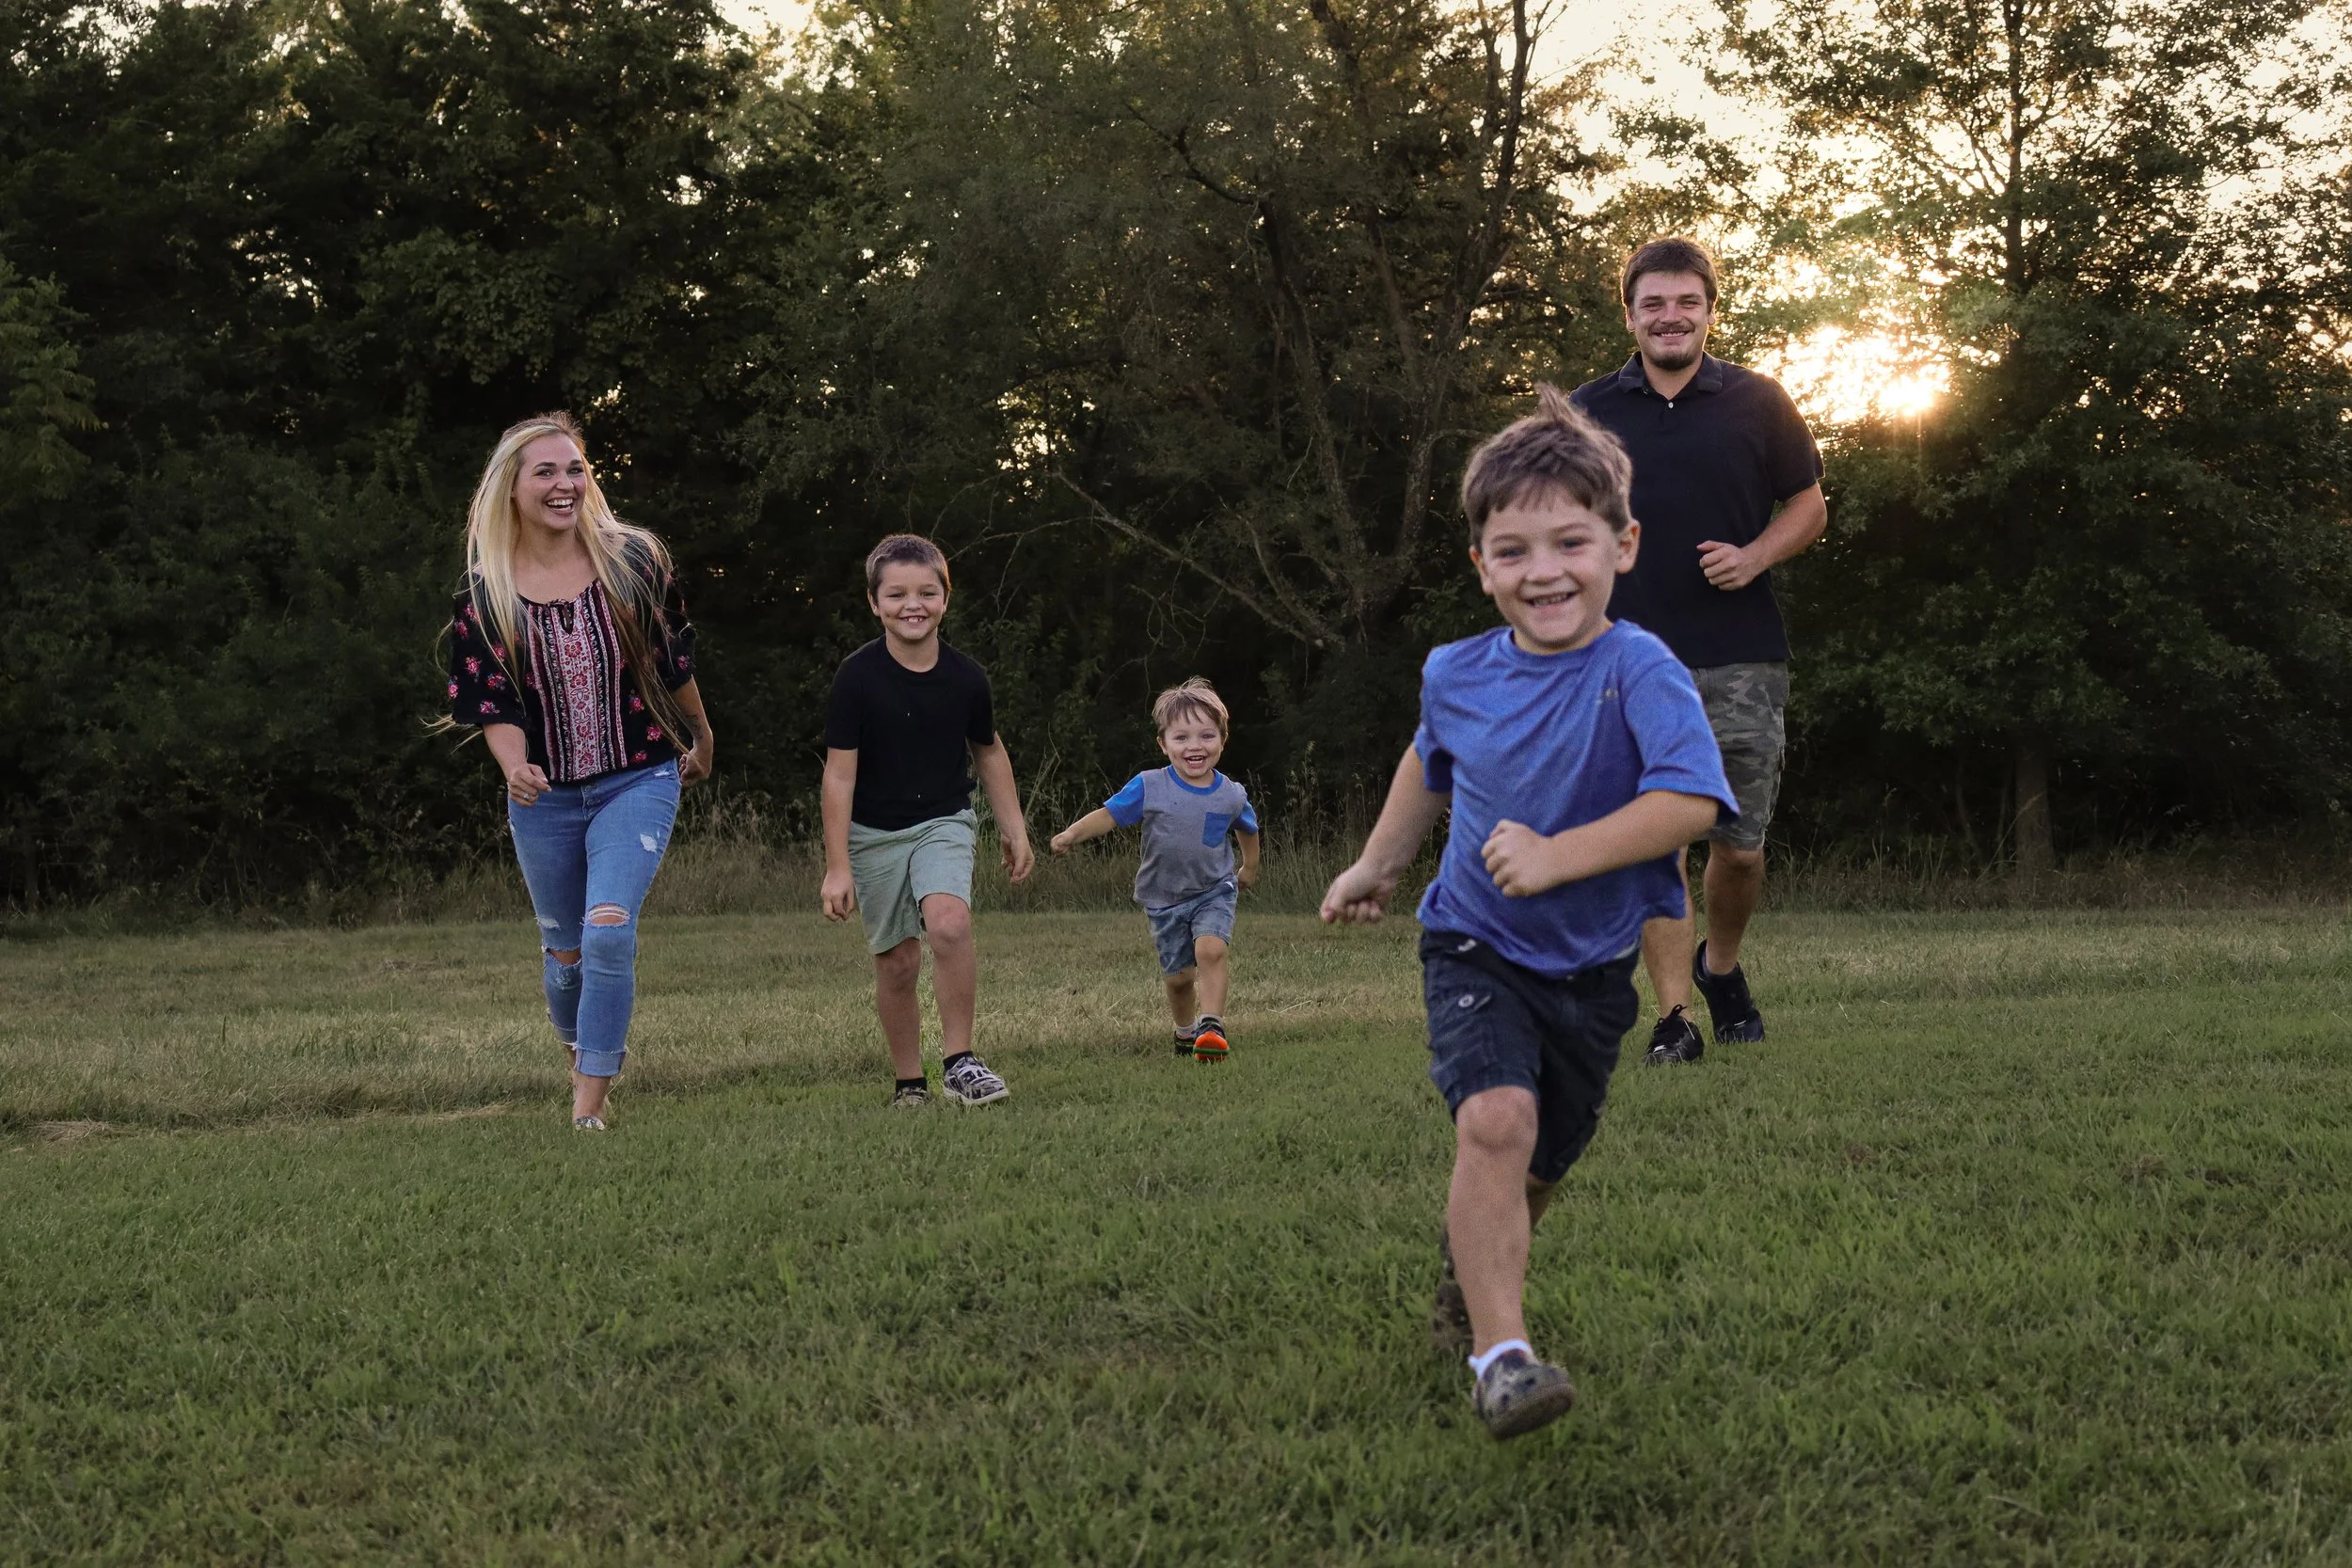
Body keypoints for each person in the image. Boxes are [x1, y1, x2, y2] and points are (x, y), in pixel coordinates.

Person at [1319, 387, 1734, 1439]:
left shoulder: (1640, 668)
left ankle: (1470, 1270)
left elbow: (1688, 800)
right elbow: (1429, 758)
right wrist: (1377, 859)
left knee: (1544, 1154)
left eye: (1569, 541)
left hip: (1592, 964)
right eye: (1513, 549)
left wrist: (1559, 855)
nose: (1543, 569)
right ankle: (1501, 1357)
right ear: (1480, 564)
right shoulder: (1453, 670)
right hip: (1472, 936)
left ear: (1622, 544)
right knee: (1494, 1120)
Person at [1571, 237, 1826, 1065]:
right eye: (1654, 304)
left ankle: (1721, 968)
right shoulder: (1585, 411)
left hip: (1741, 656)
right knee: (1654, 844)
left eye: (1686, 302)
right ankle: (1675, 1016)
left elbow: (1810, 506)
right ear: (1631, 315)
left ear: (1711, 310)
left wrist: (1755, 556)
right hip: (1626, 663)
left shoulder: (1758, 401)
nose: (1670, 317)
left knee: (1739, 848)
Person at [443, 411, 713, 1132]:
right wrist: (513, 763)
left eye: (575, 470)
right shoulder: (485, 592)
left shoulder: (635, 560)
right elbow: (490, 698)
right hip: (547, 798)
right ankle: (579, 1049)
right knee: (565, 954)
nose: (565, 484)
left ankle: (588, 1105)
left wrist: (702, 732)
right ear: (512, 488)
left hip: (640, 776)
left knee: (607, 932)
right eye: (547, 472)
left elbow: (672, 657)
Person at [820, 534, 1035, 1107]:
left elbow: (988, 749)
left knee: (948, 925)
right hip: (873, 835)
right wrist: (837, 866)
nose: (911, 605)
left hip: (945, 820)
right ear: (874, 603)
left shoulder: (967, 678)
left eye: (926, 592)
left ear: (945, 599)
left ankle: (961, 1062)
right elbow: (839, 777)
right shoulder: (857, 679)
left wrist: (1014, 825)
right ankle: (910, 1084)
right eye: (896, 594)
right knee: (898, 962)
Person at [1048, 678, 1263, 1062]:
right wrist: (1072, 834)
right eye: (1181, 738)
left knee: (1211, 949)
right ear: (1163, 744)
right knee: (1179, 980)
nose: (1195, 746)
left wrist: (1248, 868)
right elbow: (1109, 816)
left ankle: (1212, 1025)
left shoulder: (1231, 794)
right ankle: (1185, 1032)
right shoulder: (1150, 786)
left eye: (1206, 735)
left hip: (1215, 889)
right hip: (1164, 899)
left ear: (1222, 740)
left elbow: (1248, 829)